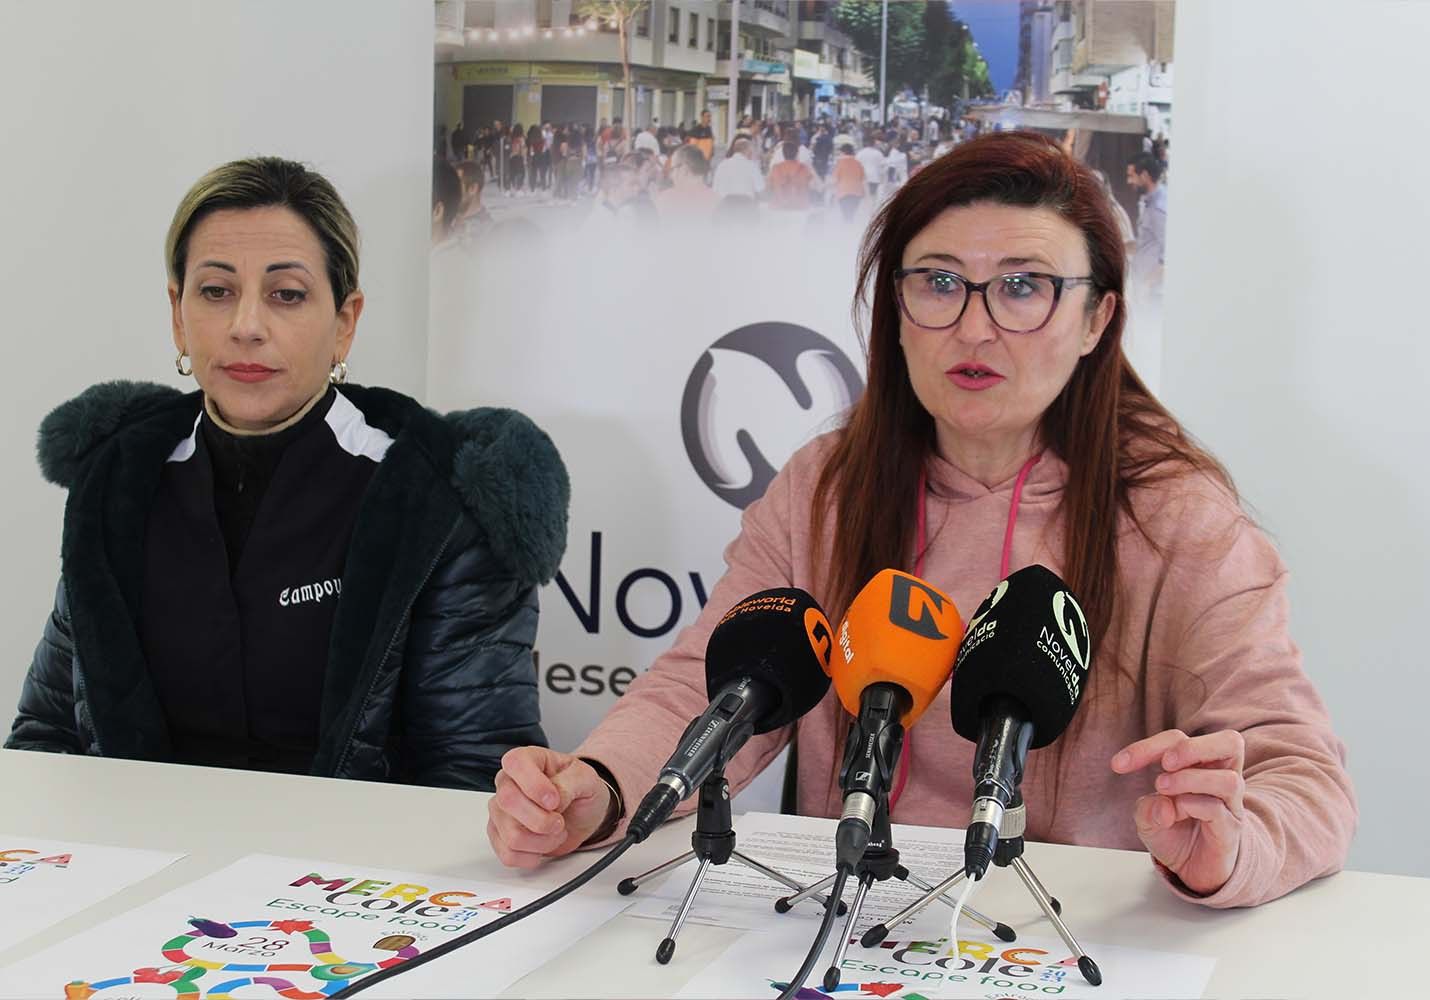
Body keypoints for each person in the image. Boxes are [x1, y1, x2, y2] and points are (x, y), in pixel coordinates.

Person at [485, 132, 1357, 909]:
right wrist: (597, 789)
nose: (974, 328)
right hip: (839, 930)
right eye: (939, 283)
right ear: (895, 310)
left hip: (1060, 940)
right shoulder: (824, 488)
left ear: (1097, 318)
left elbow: (1299, 773)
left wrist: (1229, 845)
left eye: (1023, 287)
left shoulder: (1179, 519)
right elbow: (707, 690)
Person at [6, 156, 568, 792]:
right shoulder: (118, 477)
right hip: (136, 849)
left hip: (357, 854)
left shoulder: (439, 498)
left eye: (287, 294)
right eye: (216, 291)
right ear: (177, 314)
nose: (246, 326)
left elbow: (473, 776)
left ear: (344, 323)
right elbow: (46, 738)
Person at [1126, 152, 1167, 298]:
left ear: (1144, 175)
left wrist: (1146, 286)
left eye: (1131, 176)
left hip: (1152, 295)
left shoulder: (1159, 208)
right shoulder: (1149, 203)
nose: (1128, 181)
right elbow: (1145, 244)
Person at [766, 138, 817, 211]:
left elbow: (768, 186)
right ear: (797, 154)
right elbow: (813, 185)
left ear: (783, 154)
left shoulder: (775, 168)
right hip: (800, 206)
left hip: (779, 207)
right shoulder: (804, 168)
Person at [830, 140, 866, 222]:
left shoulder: (840, 163)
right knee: (851, 215)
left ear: (843, 152)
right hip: (857, 193)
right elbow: (863, 180)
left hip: (843, 193)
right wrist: (867, 196)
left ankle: (847, 227)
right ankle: (850, 226)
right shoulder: (858, 163)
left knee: (846, 216)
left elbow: (835, 180)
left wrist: (832, 192)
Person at [856, 135, 886, 200]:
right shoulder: (878, 153)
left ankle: (867, 206)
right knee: (873, 196)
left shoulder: (860, 153)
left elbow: (856, 166)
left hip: (863, 178)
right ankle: (872, 206)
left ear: (865, 143)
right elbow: (882, 166)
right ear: (874, 143)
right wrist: (882, 178)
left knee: (864, 198)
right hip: (874, 178)